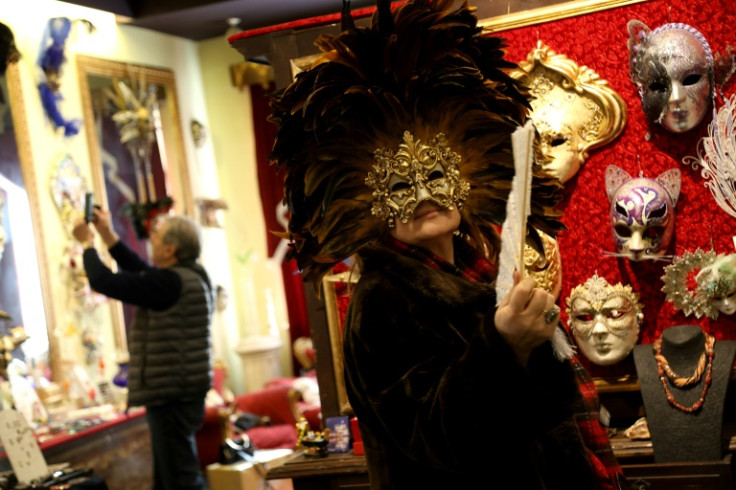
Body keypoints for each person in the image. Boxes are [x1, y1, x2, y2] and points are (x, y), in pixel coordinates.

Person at [268, 0, 627, 488]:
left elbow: (542, 414)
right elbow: (439, 440)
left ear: (461, 172)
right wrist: (503, 346)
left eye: (435, 173)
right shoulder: (381, 302)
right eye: (398, 185)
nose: (421, 194)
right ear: (372, 200)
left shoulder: (477, 271)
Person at [72, 208, 213, 490]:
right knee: (169, 480)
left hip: (172, 395)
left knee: (181, 480)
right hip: (181, 392)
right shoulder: (188, 276)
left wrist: (87, 243)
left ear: (170, 249)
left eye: (156, 237)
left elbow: (104, 281)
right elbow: (139, 269)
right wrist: (106, 234)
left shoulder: (171, 282)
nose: (151, 242)